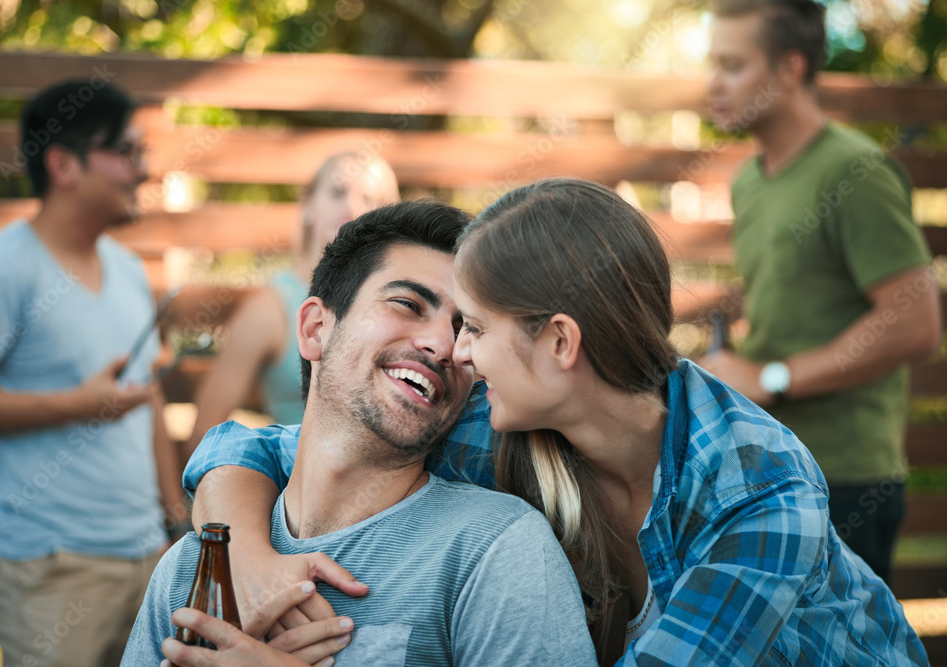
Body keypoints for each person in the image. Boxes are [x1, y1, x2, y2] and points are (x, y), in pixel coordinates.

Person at [180, 179, 928, 665]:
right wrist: (242, 550)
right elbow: (261, 444)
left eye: (474, 325)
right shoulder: (503, 423)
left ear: (560, 342)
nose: (455, 351)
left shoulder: (761, 490)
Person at [123, 200, 598, 666]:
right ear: (315, 329)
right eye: (408, 304)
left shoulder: (497, 551)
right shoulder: (197, 568)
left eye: (466, 328)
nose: (445, 346)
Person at [698, 0, 942, 584]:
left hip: (847, 479)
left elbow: (916, 323)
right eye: (713, 64)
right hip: (771, 469)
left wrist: (773, 378)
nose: (713, 83)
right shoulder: (750, 182)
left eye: (732, 65)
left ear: (789, 68)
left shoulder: (855, 173)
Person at [0, 80, 184, 666]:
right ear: (63, 164)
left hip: (148, 557)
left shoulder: (127, 270)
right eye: (127, 152)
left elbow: (142, 394)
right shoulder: (1, 272)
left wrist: (175, 518)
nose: (143, 170)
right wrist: (78, 404)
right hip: (55, 569)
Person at [183, 151, 399, 458]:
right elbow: (203, 436)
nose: (351, 207)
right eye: (337, 193)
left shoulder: (401, 308)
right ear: (307, 205)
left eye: (369, 199)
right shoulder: (271, 308)